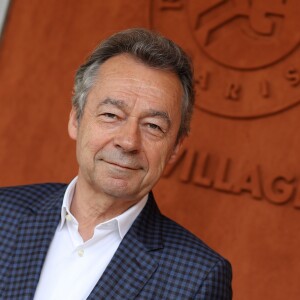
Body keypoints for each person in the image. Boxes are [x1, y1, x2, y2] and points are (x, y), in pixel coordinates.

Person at [0, 28, 232, 299]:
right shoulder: (4, 214)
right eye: (111, 114)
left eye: (153, 126)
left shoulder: (197, 278)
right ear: (76, 119)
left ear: (175, 146)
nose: (128, 141)